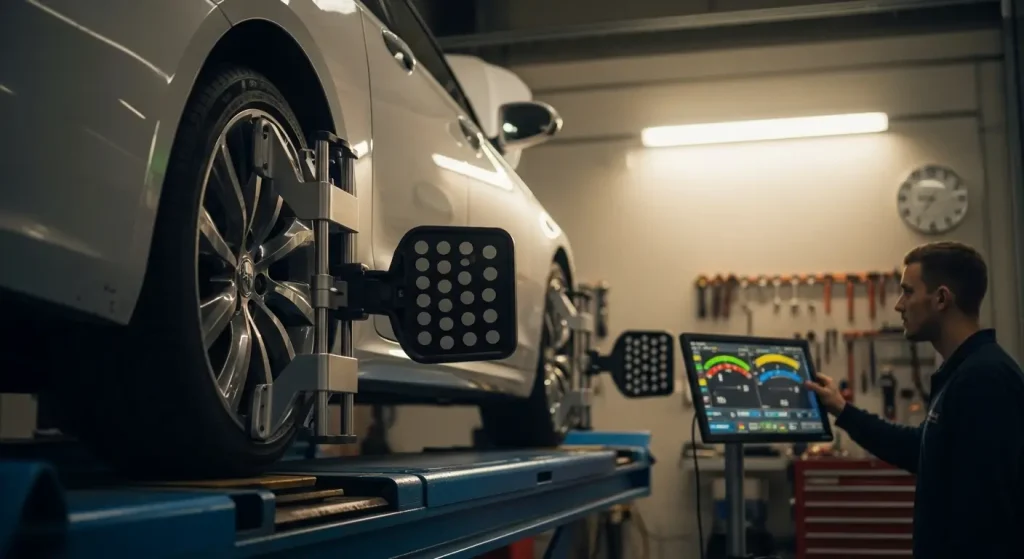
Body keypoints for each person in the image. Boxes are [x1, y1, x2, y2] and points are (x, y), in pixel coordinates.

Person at [804, 241, 1024, 559]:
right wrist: (842, 409)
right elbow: (918, 449)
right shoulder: (962, 372)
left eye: (907, 292)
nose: (898, 305)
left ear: (941, 298)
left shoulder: (984, 378)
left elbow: (989, 516)